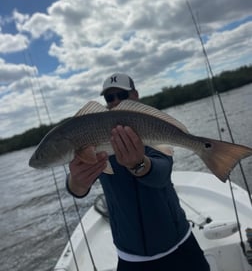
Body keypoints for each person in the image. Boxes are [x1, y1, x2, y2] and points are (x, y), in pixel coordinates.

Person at [66, 73, 210, 271]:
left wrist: (139, 164)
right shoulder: (93, 135)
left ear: (135, 95)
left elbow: (162, 172)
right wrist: (78, 181)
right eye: (110, 97)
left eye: (121, 95)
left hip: (180, 243)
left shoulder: (149, 126)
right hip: (131, 257)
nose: (115, 101)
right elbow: (79, 187)